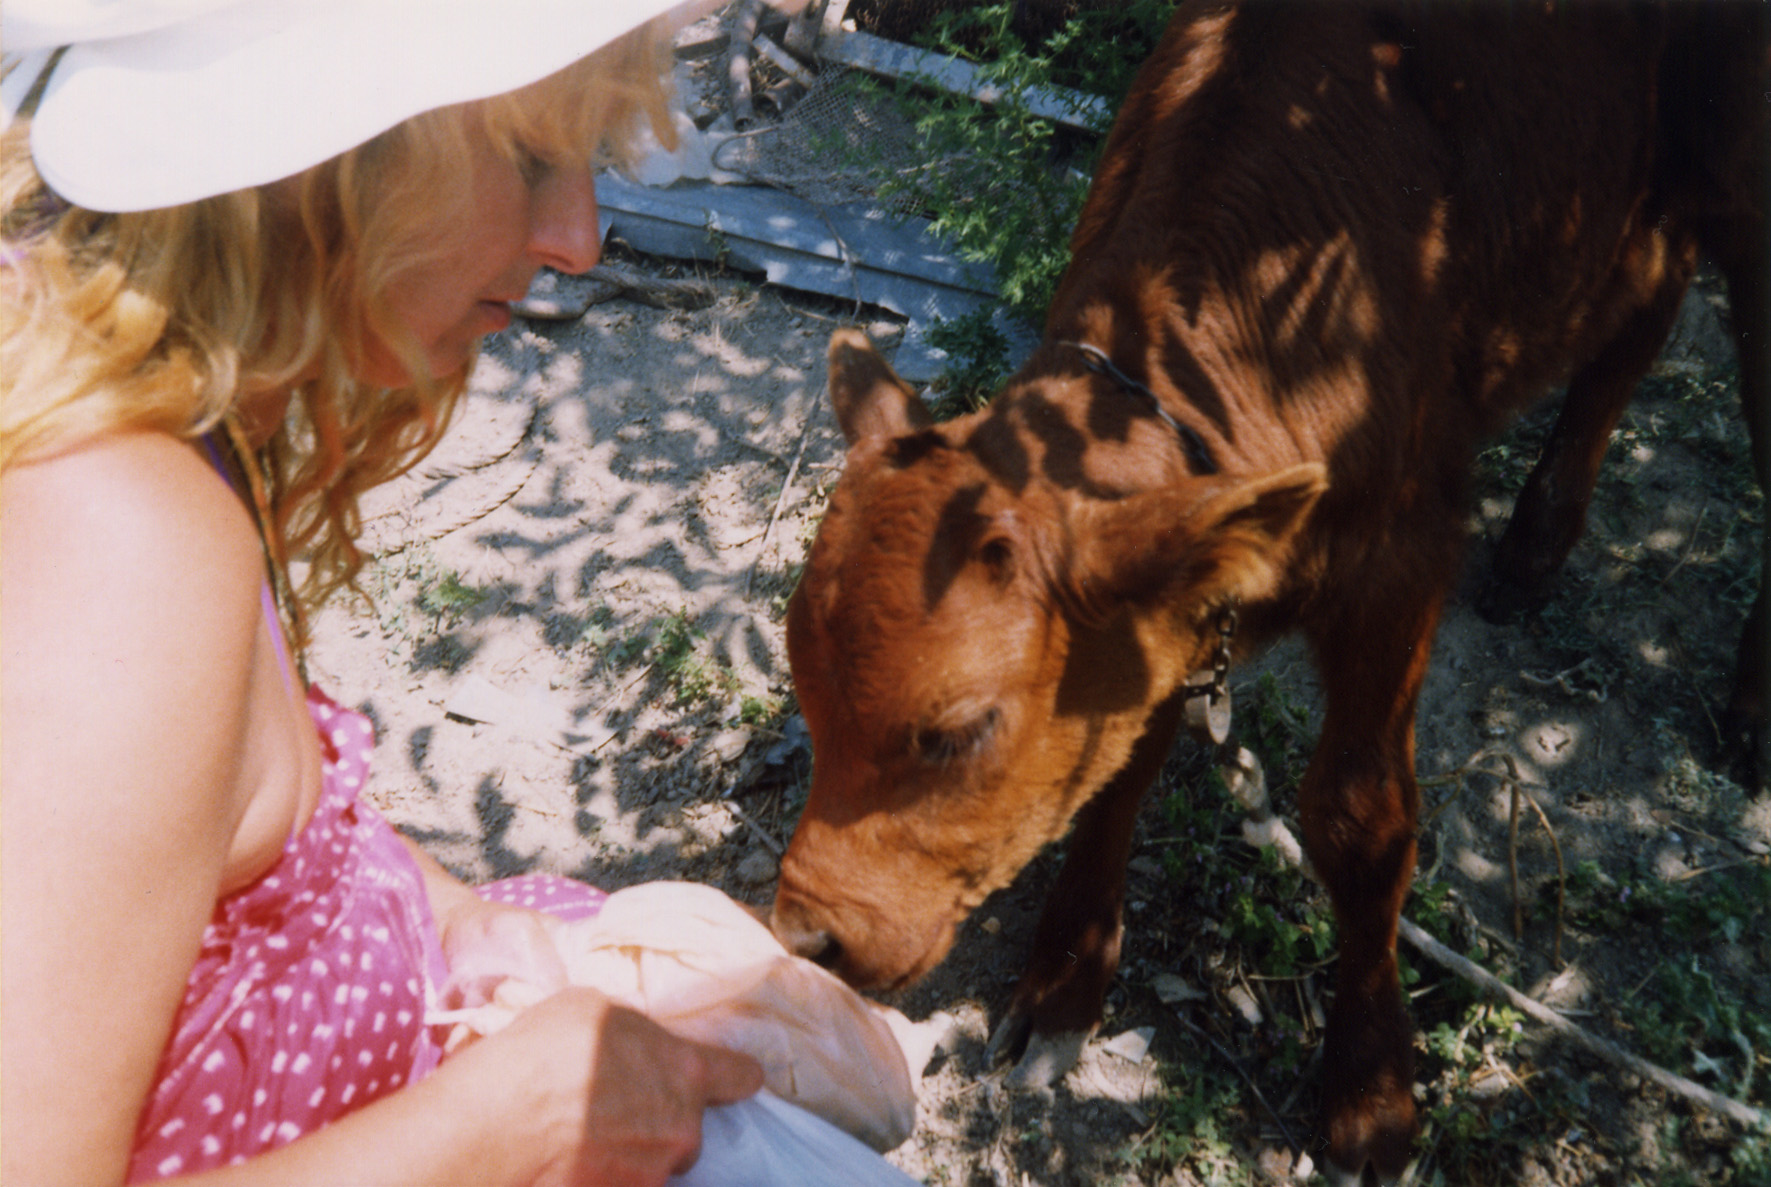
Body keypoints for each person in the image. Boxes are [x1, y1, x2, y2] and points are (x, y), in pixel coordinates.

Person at [0, 3, 800, 1183]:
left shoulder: (127, 401)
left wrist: (443, 907)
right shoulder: (121, 545)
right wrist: (510, 1121)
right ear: (316, 154)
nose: (578, 236)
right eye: (529, 156)